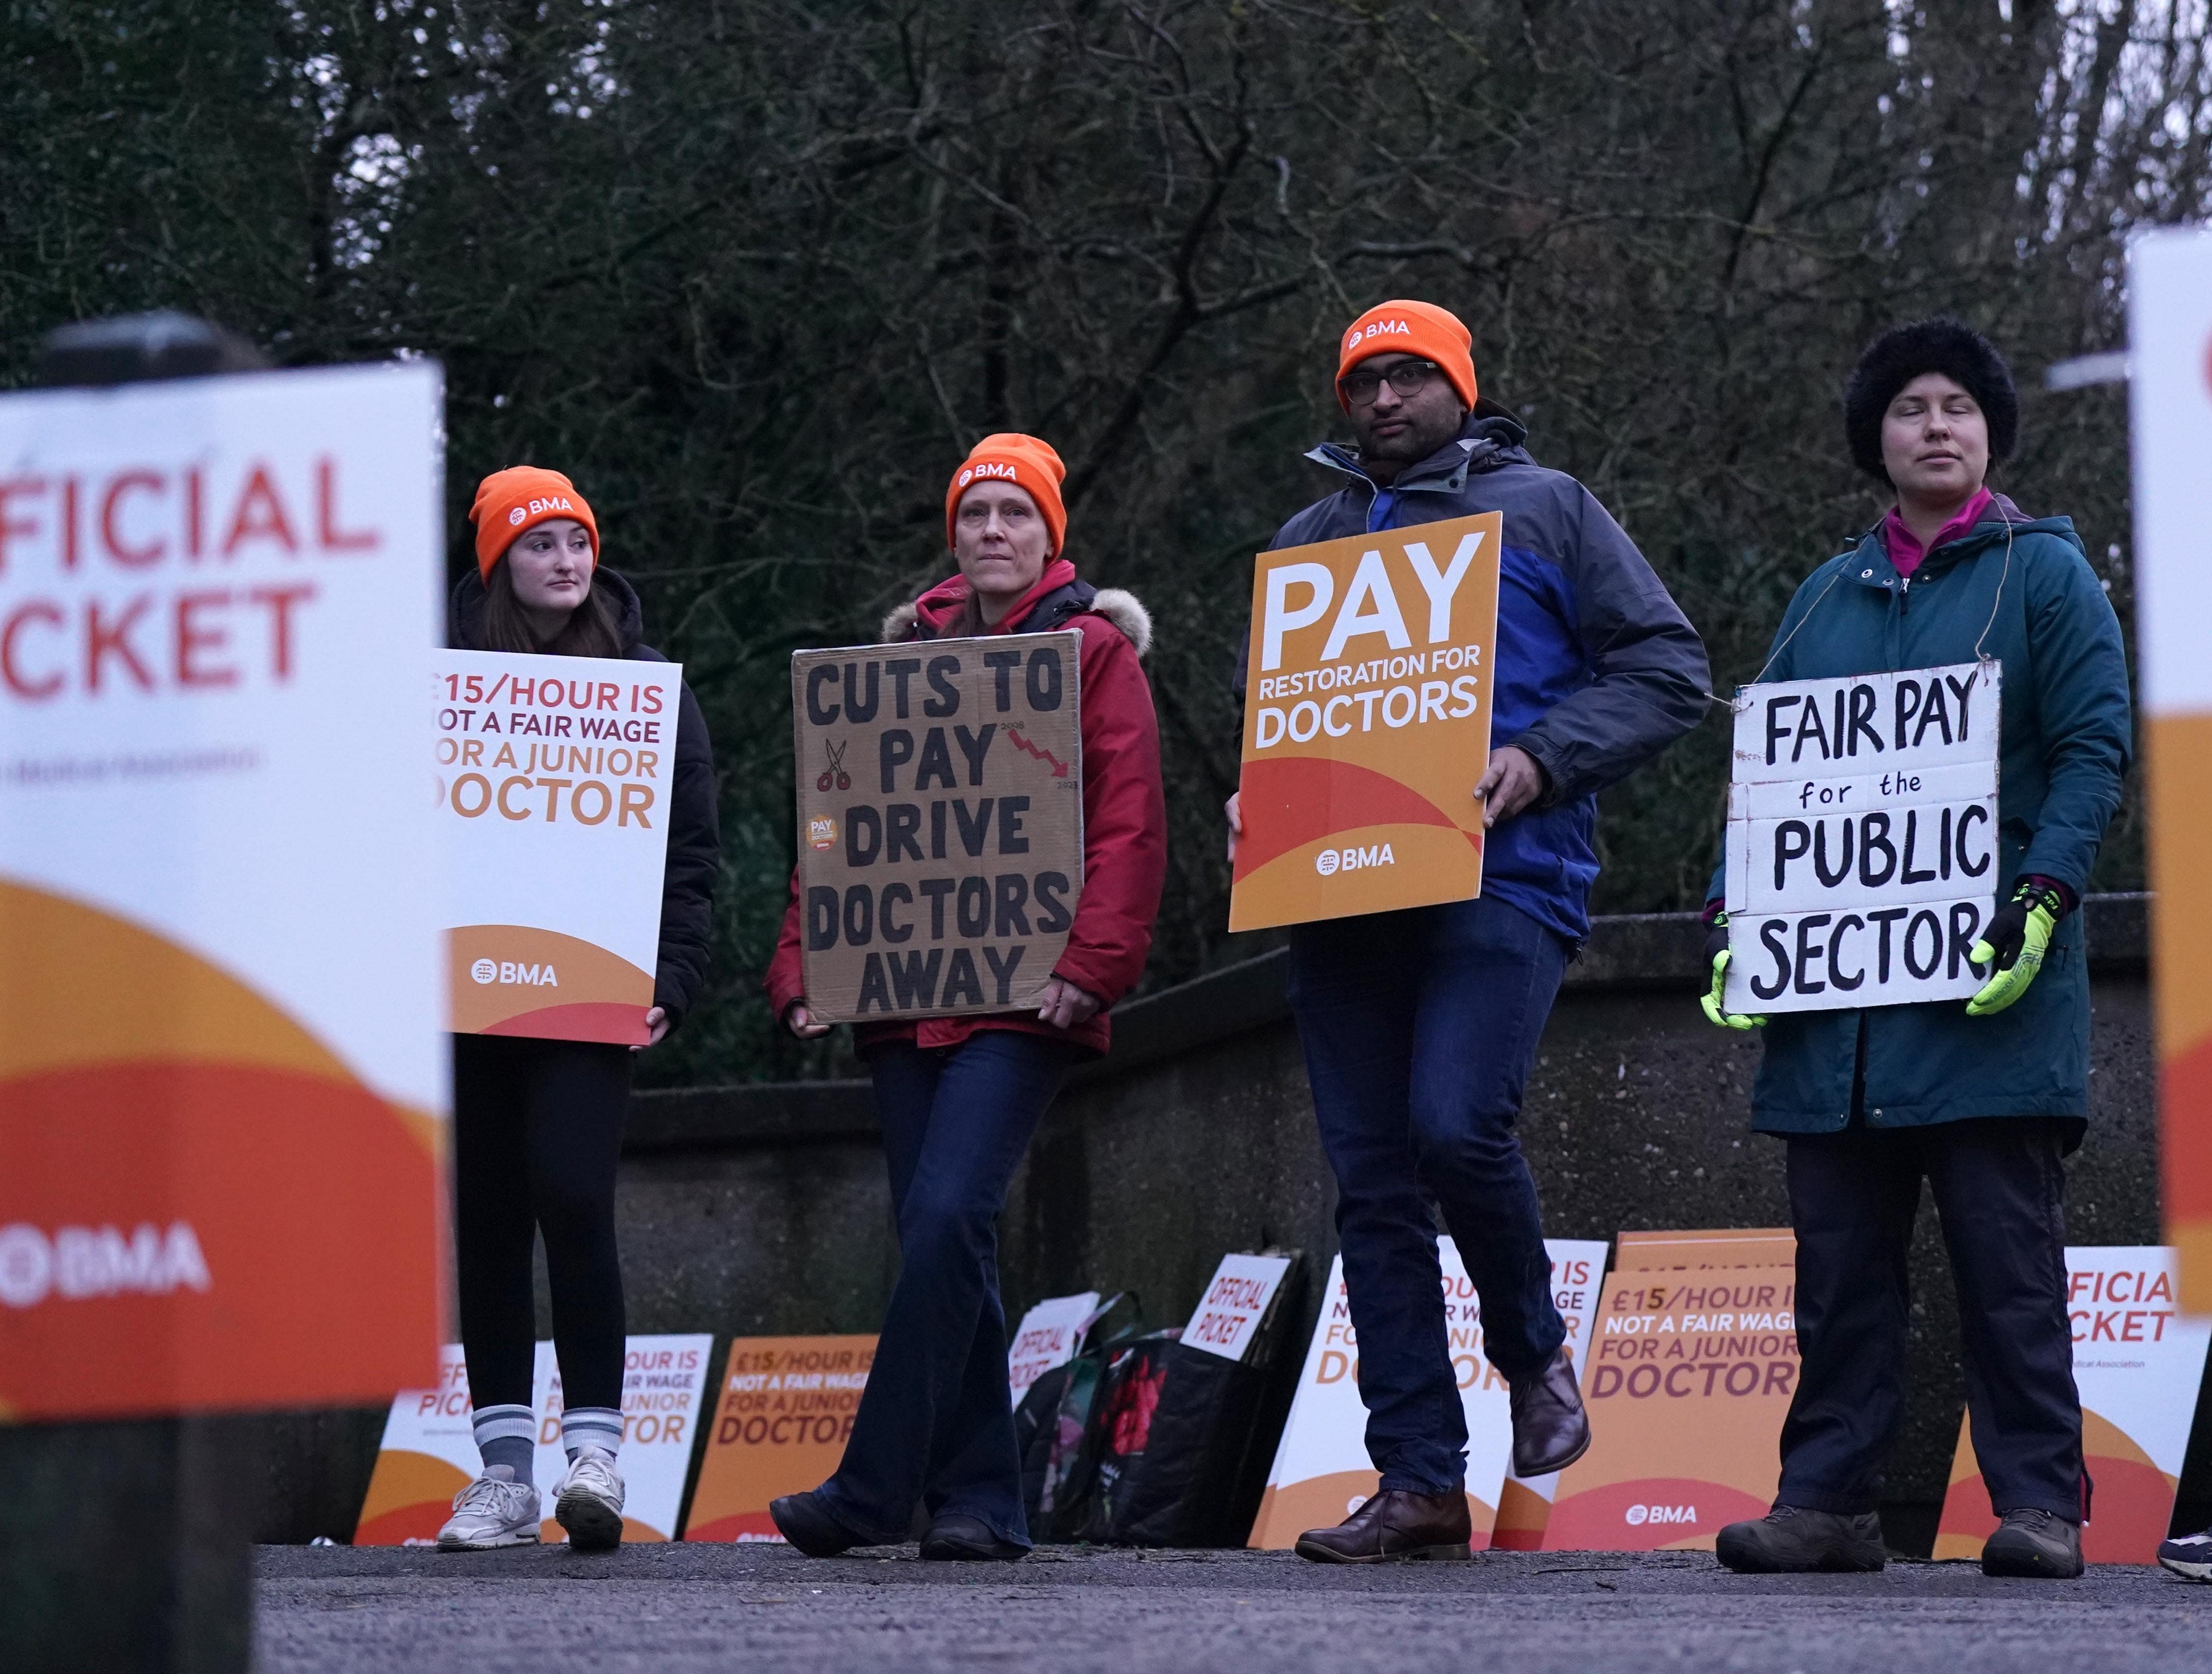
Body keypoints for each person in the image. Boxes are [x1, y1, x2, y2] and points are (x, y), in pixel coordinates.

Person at [1230, 300, 1712, 1563]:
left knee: (1456, 1125)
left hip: (1507, 875)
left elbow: (1669, 667)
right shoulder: (1306, 541)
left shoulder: (1547, 507)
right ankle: (1420, 1482)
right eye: (1364, 382)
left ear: (1461, 387)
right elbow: (1286, 721)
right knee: (1373, 1187)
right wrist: (1256, 791)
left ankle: (1534, 1352)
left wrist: (1543, 759)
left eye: (1410, 377)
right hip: (1338, 895)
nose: (1385, 399)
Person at [1704, 318, 2130, 1581]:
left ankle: (2041, 1504)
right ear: (1874, 442)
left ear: (1990, 431)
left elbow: (2094, 750)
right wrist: (1738, 918)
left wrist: (2043, 893)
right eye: (1909, 408)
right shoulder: (1820, 599)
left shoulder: (2048, 576)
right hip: (1832, 1015)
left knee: (2009, 1265)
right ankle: (1826, 1502)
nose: (1936, 424)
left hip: (1988, 987)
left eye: (1958, 405)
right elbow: (1765, 777)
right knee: (1838, 1271)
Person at [761, 434, 1166, 1561]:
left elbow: (1131, 823)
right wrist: (803, 966)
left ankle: (874, 1489)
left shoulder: (1091, 656)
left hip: (1023, 1000)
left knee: (946, 1221)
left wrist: (1090, 967)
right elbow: (836, 830)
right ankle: (986, 1500)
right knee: (947, 1244)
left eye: (1015, 513)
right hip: (898, 999)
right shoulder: (892, 666)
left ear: (1050, 534)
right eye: (976, 511)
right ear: (954, 530)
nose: (993, 529)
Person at [433, 467, 720, 1553]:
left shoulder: (648, 686)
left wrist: (671, 982)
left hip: (593, 995)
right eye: (539, 543)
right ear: (499, 560)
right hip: (463, 1000)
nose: (565, 560)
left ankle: (595, 1454)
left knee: (572, 1190)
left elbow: (691, 856)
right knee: (491, 1216)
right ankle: (502, 1475)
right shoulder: (442, 683)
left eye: (577, 542)